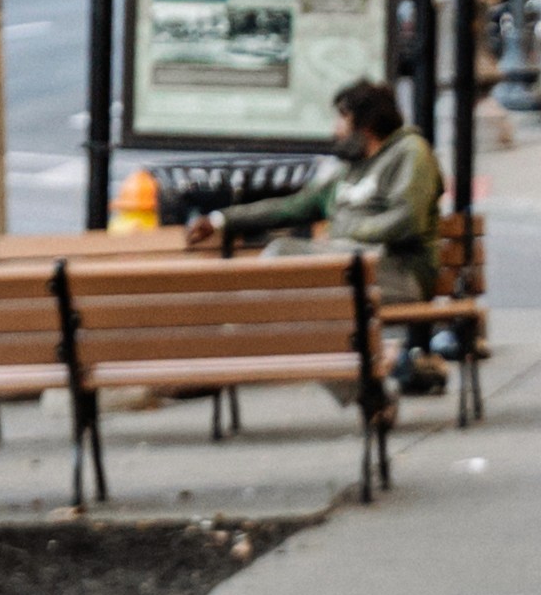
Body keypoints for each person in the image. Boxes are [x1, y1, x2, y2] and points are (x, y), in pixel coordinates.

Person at [191, 78, 450, 396]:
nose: (334, 129)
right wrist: (222, 220)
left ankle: (218, 356)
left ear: (365, 125)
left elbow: (406, 220)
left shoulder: (411, 152)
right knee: (292, 302)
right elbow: (294, 206)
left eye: (341, 119)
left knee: (280, 260)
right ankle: (373, 389)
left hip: (398, 272)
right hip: (347, 269)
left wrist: (347, 238)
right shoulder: (350, 169)